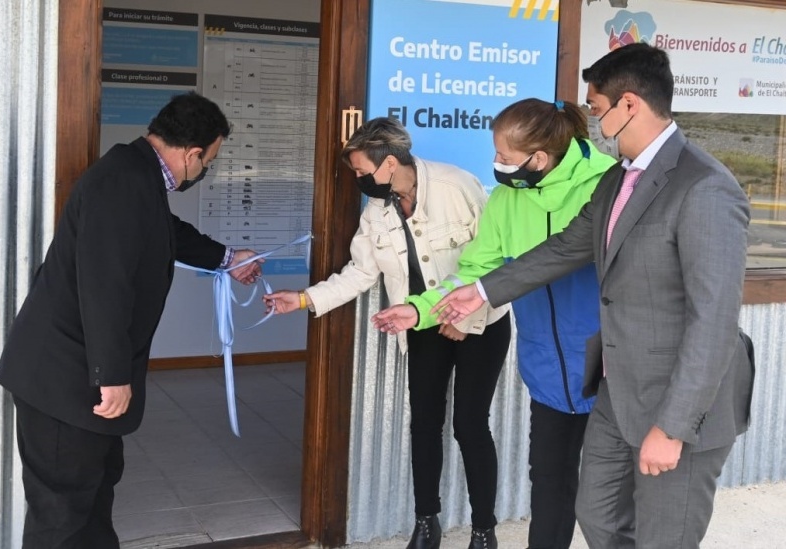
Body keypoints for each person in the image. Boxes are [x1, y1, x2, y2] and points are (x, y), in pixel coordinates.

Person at [373, 43, 754, 549]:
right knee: (596, 513)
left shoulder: (704, 187)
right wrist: (479, 292)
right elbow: (566, 247)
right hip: (616, 388)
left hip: (675, 397)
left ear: (630, 106)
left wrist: (676, 424)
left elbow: (714, 319)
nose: (592, 120)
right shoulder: (620, 178)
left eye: (596, 108)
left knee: (663, 535)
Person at [0, 92, 262, 549]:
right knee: (62, 515)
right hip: (65, 382)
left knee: (93, 497)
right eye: (208, 161)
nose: (203, 171)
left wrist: (226, 257)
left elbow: (164, 232)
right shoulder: (122, 181)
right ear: (192, 153)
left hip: (75, 378)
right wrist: (113, 375)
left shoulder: (135, 176)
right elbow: (104, 286)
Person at [374, 98, 616, 548]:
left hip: (609, 367)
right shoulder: (506, 198)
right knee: (549, 481)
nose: (497, 164)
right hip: (548, 371)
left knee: (608, 496)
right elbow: (474, 270)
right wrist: (420, 308)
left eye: (504, 156)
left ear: (538, 158)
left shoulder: (606, 186)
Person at [263, 117, 511, 549]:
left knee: (470, 425)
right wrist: (303, 300)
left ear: (390, 163)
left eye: (361, 171)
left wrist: (461, 318)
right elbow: (360, 272)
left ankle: (484, 530)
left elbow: (495, 257)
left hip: (479, 323)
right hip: (420, 324)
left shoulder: (457, 187)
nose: (359, 180)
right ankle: (426, 523)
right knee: (425, 424)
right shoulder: (378, 211)